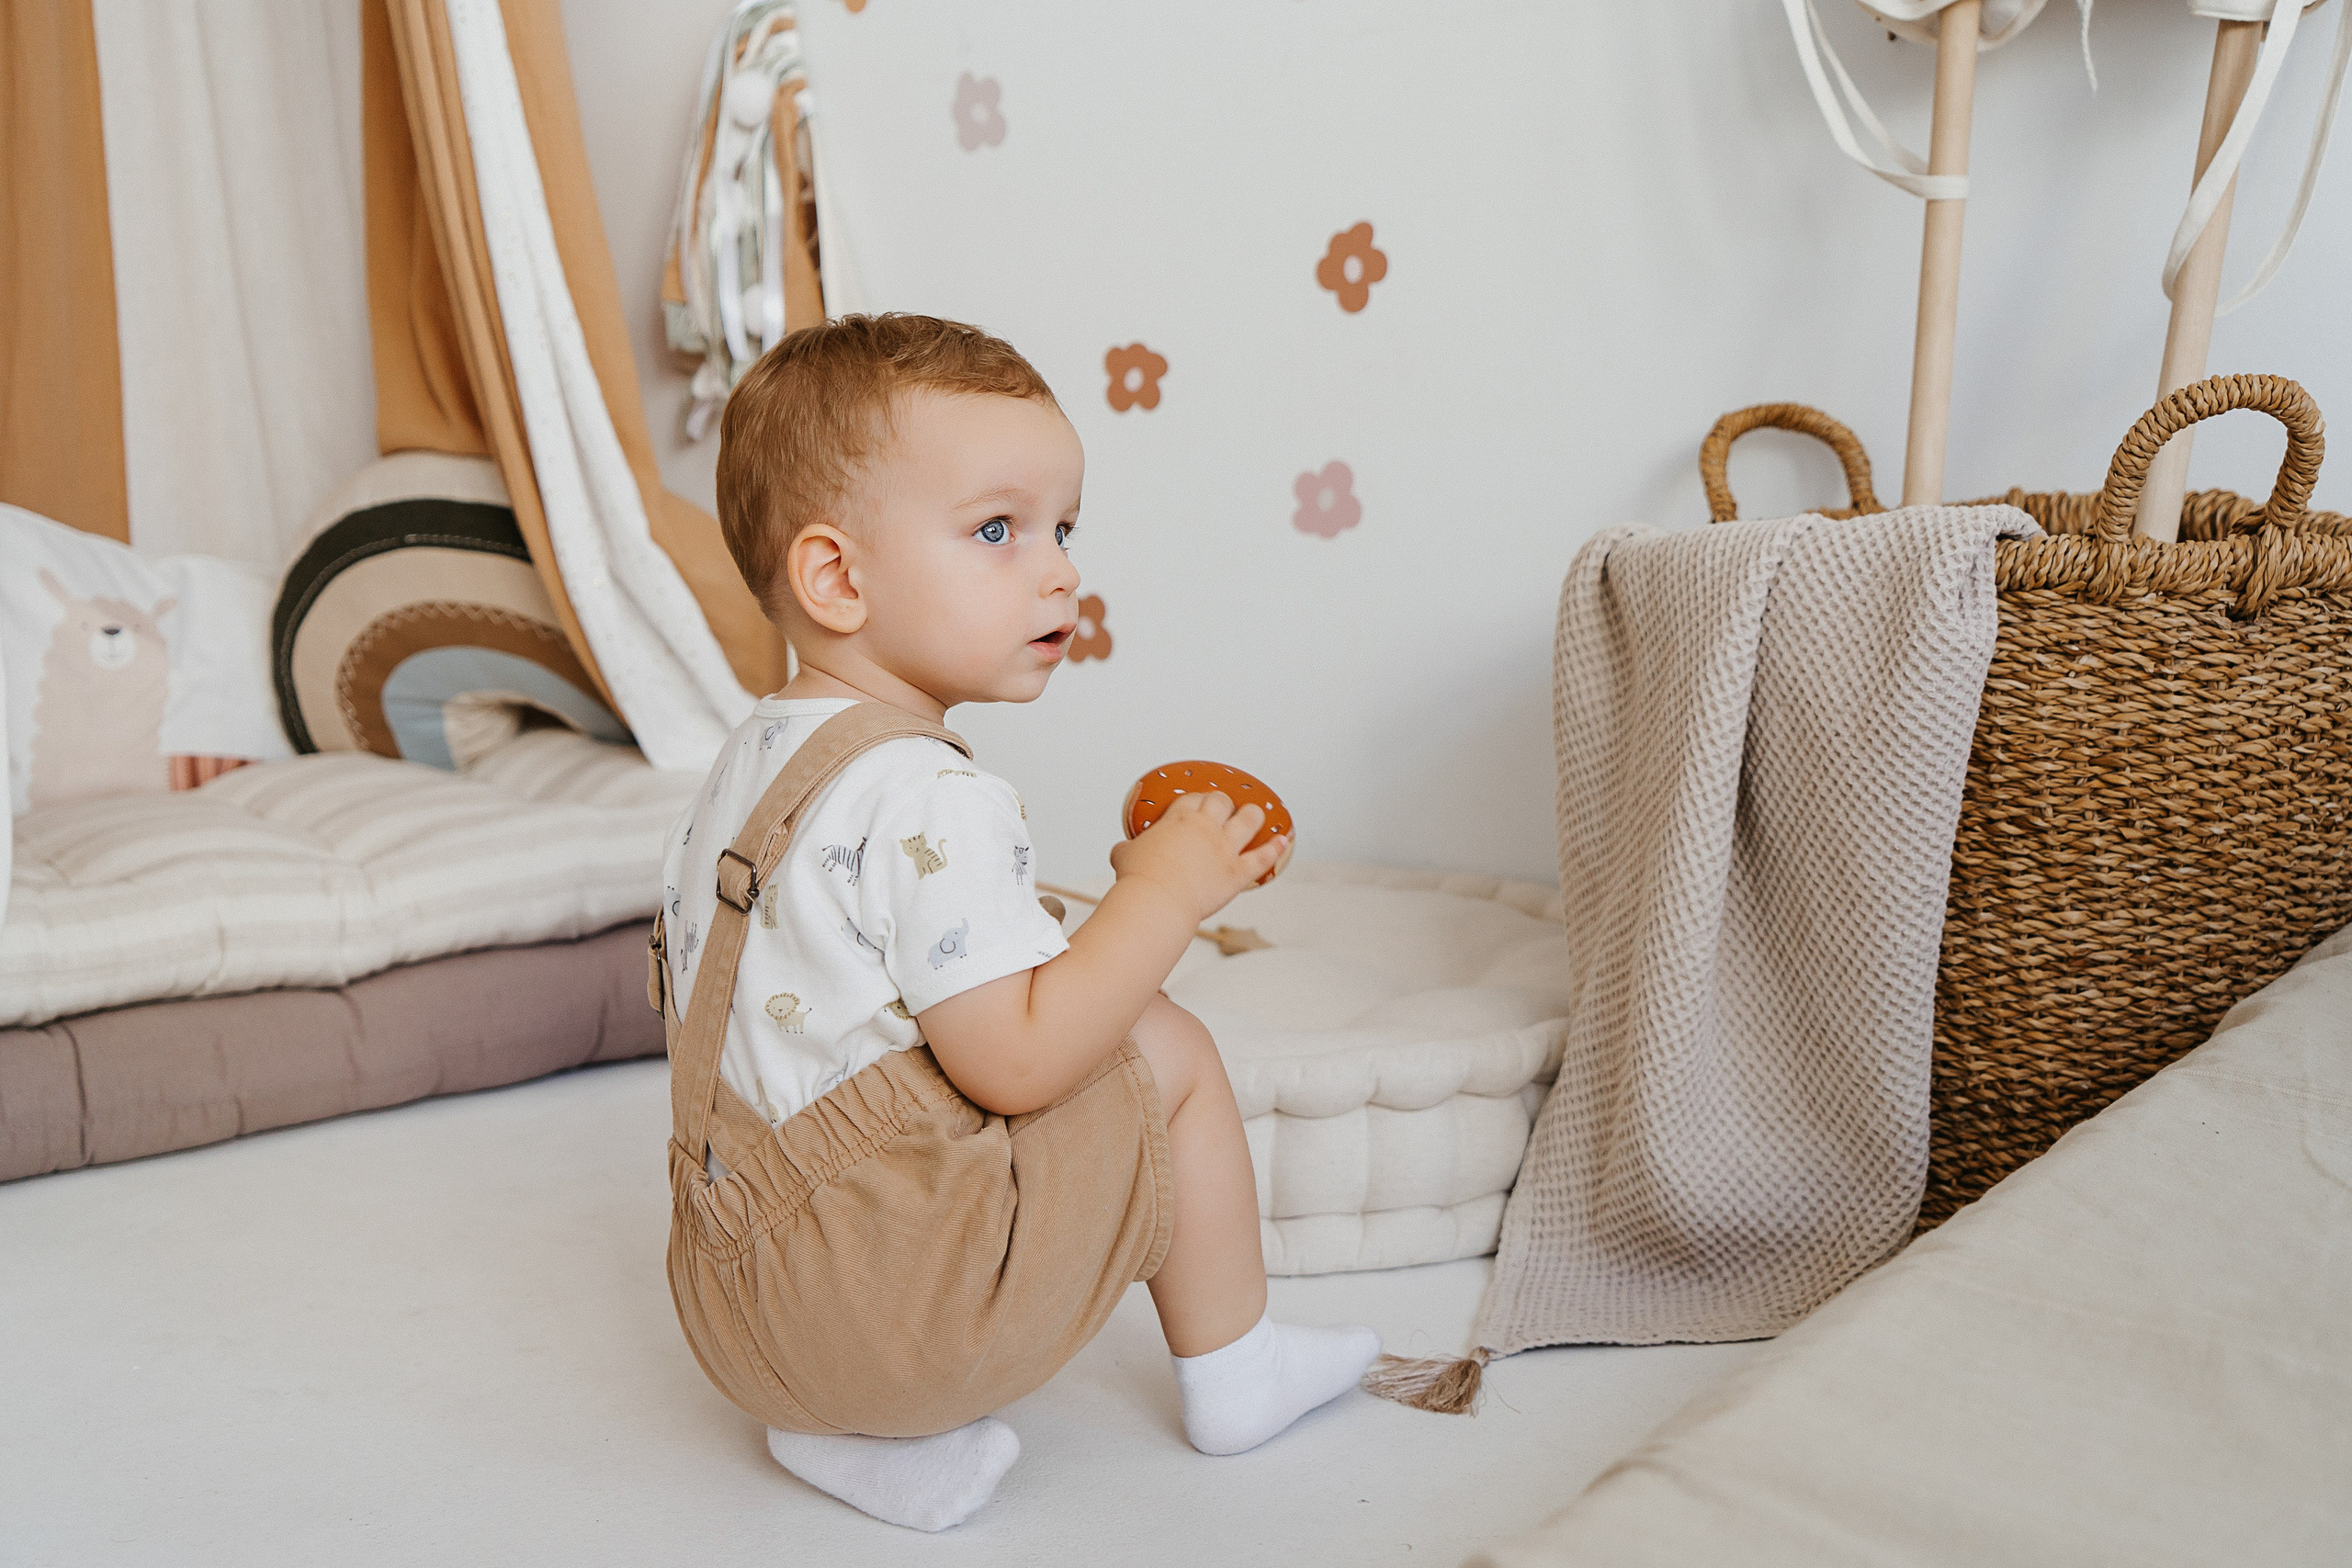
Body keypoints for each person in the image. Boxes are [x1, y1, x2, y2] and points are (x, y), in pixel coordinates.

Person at [657, 313, 1380, 1532]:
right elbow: (1017, 1058)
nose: (1057, 571)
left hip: (730, 1310)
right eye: (998, 531)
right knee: (1165, 1048)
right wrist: (1162, 898)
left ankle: (846, 1438)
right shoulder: (937, 795)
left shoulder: (749, 762)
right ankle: (1238, 1370)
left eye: (1063, 528)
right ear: (837, 578)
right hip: (893, 1318)